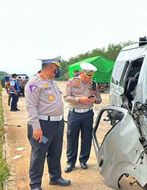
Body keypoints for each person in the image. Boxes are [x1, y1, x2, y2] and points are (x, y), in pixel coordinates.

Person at [25, 57, 71, 190]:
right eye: (55, 70)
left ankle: (55, 177)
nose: (56, 72)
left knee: (55, 152)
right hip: (43, 126)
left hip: (57, 124)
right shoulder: (34, 83)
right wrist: (36, 128)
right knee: (39, 154)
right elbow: (31, 107)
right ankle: (35, 185)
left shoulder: (51, 81)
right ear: (49, 68)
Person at [64, 62, 102, 173]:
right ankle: (70, 162)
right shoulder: (72, 82)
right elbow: (66, 97)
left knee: (86, 138)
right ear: (81, 73)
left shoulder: (94, 84)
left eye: (90, 77)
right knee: (72, 138)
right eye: (86, 77)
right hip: (74, 113)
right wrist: (80, 99)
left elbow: (99, 99)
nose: (88, 79)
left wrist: (95, 100)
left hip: (88, 114)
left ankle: (83, 161)